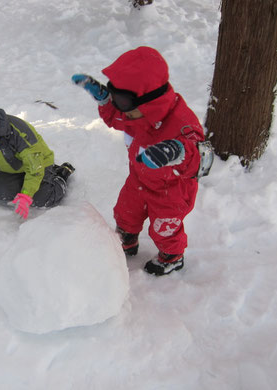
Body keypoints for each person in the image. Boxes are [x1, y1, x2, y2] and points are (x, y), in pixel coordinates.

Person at [72, 46, 205, 276]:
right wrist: (105, 101)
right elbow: (118, 118)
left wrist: (176, 151)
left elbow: (201, 159)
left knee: (165, 229)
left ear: (149, 103)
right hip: (138, 179)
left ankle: (171, 257)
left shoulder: (182, 122)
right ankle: (126, 239)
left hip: (170, 190)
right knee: (125, 213)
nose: (122, 112)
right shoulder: (140, 112)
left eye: (121, 103)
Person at [0, 98, 74, 219]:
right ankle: (24, 183)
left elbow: (35, 168)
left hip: (39, 163)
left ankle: (60, 175)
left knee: (42, 199)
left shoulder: (18, 133)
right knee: (1, 195)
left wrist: (26, 196)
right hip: (12, 167)